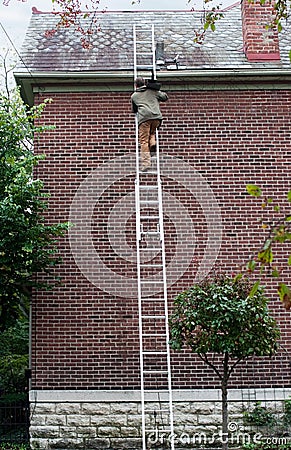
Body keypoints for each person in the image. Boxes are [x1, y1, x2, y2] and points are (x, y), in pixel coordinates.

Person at [131, 77, 168, 172]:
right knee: (152, 133)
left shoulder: (134, 96)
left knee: (143, 141)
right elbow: (165, 97)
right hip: (156, 118)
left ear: (136, 85)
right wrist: (156, 89)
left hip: (144, 119)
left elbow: (134, 110)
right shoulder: (152, 91)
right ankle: (153, 144)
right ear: (145, 83)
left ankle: (146, 164)